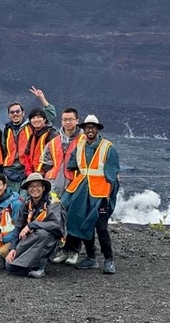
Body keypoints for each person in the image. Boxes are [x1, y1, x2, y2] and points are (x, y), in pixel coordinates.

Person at [62, 115, 120, 274]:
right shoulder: (79, 146)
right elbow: (72, 165)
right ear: (84, 129)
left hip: (100, 195)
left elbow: (113, 175)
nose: (90, 129)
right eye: (87, 127)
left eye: (93, 127)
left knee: (101, 227)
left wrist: (109, 198)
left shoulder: (108, 147)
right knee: (83, 223)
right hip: (82, 193)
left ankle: (109, 260)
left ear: (97, 129)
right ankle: (91, 257)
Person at [42, 108, 85, 265]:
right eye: (65, 119)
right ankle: (62, 249)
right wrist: (47, 176)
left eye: (71, 119)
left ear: (77, 120)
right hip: (56, 187)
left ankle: (74, 251)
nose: (68, 122)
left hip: (75, 186)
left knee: (74, 219)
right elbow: (45, 161)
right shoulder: (54, 142)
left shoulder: (84, 140)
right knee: (57, 218)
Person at [5, 173, 66, 278]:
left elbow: (56, 225)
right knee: (10, 266)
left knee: (43, 234)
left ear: (43, 188)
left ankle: (39, 267)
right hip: (32, 237)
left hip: (51, 240)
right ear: (28, 189)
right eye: (31, 186)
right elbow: (18, 226)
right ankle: (29, 263)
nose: (34, 189)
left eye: (38, 186)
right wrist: (13, 248)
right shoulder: (27, 202)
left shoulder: (53, 202)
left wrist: (32, 225)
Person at [2, 87, 56, 191]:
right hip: (9, 169)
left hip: (26, 169)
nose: (15, 114)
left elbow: (49, 117)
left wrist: (42, 99)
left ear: (23, 113)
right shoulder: (6, 130)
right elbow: (3, 148)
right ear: (9, 115)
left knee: (24, 197)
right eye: (12, 112)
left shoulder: (32, 126)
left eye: (17, 111)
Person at [24, 108, 59, 177]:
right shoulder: (32, 136)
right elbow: (27, 154)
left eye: (39, 117)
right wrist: (29, 171)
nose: (36, 120)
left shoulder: (52, 134)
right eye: (33, 118)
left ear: (45, 120)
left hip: (48, 174)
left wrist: (43, 172)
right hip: (33, 173)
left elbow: (56, 157)